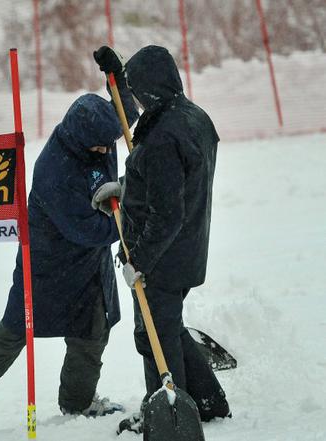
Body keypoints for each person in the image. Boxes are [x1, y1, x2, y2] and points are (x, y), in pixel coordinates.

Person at [0, 47, 138, 419]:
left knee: (91, 335)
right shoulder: (55, 170)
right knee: (16, 327)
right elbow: (85, 229)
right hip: (48, 264)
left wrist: (117, 77)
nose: (106, 149)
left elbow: (125, 112)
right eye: (100, 144)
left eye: (110, 141)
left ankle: (78, 402)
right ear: (81, 137)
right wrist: (128, 220)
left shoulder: (97, 131)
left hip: (90, 265)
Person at [91, 45, 231, 434]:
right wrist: (128, 188)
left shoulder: (161, 139)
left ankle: (168, 410)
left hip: (163, 254)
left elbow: (167, 213)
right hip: (188, 247)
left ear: (151, 90)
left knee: (152, 334)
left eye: (137, 91)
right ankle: (207, 400)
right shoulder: (192, 117)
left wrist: (139, 259)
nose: (133, 100)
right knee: (166, 326)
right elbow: (174, 185)